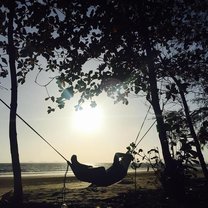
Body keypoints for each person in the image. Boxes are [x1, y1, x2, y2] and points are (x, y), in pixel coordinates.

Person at [69, 152, 134, 186]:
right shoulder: (123, 173)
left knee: (100, 170)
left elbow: (116, 154)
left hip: (104, 180)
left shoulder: (118, 166)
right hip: (104, 181)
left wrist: (126, 155)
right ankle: (78, 166)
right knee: (98, 170)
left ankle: (77, 166)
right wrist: (127, 156)